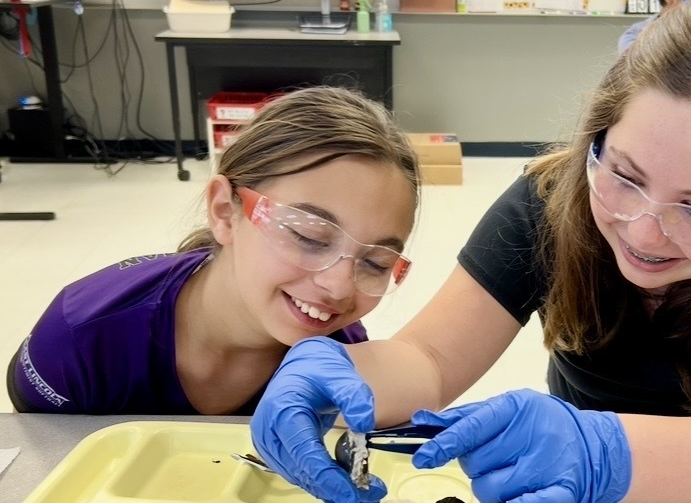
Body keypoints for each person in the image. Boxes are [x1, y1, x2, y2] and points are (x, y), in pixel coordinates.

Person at [251, 0, 691, 503]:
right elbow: (432, 357)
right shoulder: (554, 194)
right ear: (598, 136)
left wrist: (603, 451)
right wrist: (339, 372)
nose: (644, 230)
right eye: (623, 174)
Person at [6, 86, 421, 419]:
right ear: (225, 211)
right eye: (309, 236)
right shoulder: (84, 337)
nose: (337, 286)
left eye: (375, 263)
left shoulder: (337, 346)